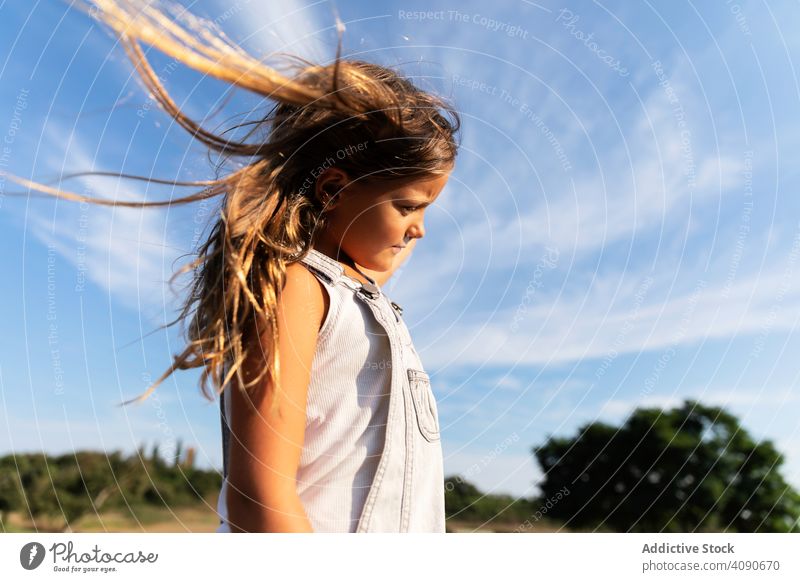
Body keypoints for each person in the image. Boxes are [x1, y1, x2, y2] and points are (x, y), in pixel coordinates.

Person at [7, 1, 460, 532]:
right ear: (333, 189)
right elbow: (258, 495)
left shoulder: (362, 296)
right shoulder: (297, 289)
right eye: (408, 206)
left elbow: (371, 264)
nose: (419, 230)